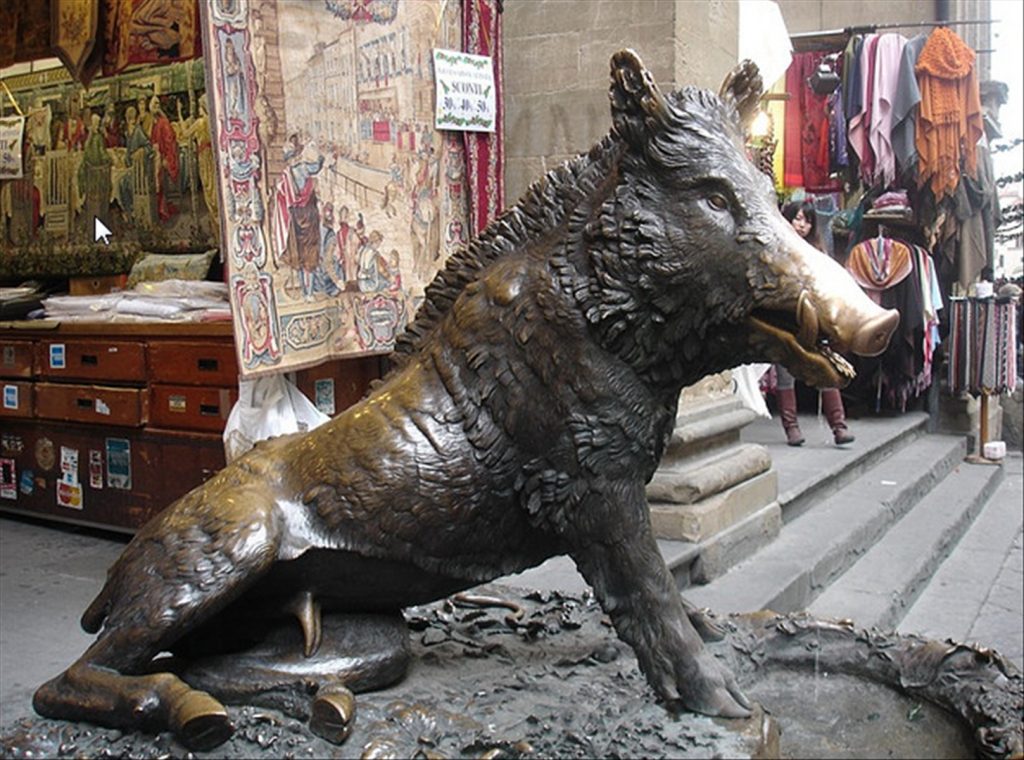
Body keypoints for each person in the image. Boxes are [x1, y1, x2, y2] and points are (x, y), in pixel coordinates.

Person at [775, 200, 855, 447]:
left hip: (814, 322)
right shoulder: (777, 249)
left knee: (824, 371)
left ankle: (839, 427)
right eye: (797, 218)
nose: (802, 225)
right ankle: (791, 428)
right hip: (785, 319)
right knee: (785, 375)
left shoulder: (818, 253)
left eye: (807, 220)